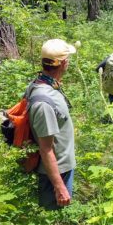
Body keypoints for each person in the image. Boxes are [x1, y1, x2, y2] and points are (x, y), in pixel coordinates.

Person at [27, 39, 76, 210]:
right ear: (64, 63)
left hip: (62, 165)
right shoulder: (44, 102)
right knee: (53, 219)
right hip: (55, 172)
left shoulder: (45, 84)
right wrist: (59, 187)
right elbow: (46, 149)